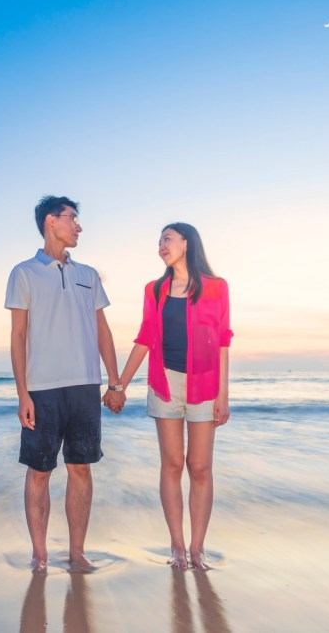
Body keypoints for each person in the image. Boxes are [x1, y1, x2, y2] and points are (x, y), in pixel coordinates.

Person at [5, 195, 124, 573]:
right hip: (42, 388)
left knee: (82, 468)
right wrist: (22, 393)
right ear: (50, 221)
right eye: (72, 218)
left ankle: (77, 552)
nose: (78, 226)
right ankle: (39, 555)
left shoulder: (87, 275)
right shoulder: (23, 273)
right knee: (40, 469)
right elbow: (18, 336)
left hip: (86, 385)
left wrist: (115, 382)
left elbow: (103, 331)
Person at [114, 223, 233, 570]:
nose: (161, 246)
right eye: (159, 241)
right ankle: (177, 547)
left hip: (205, 385)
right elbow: (145, 337)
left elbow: (224, 340)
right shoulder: (154, 290)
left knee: (200, 467)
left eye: (167, 238)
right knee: (172, 464)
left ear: (186, 242)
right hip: (164, 382)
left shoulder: (216, 287)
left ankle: (198, 548)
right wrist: (119, 384)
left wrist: (223, 395)